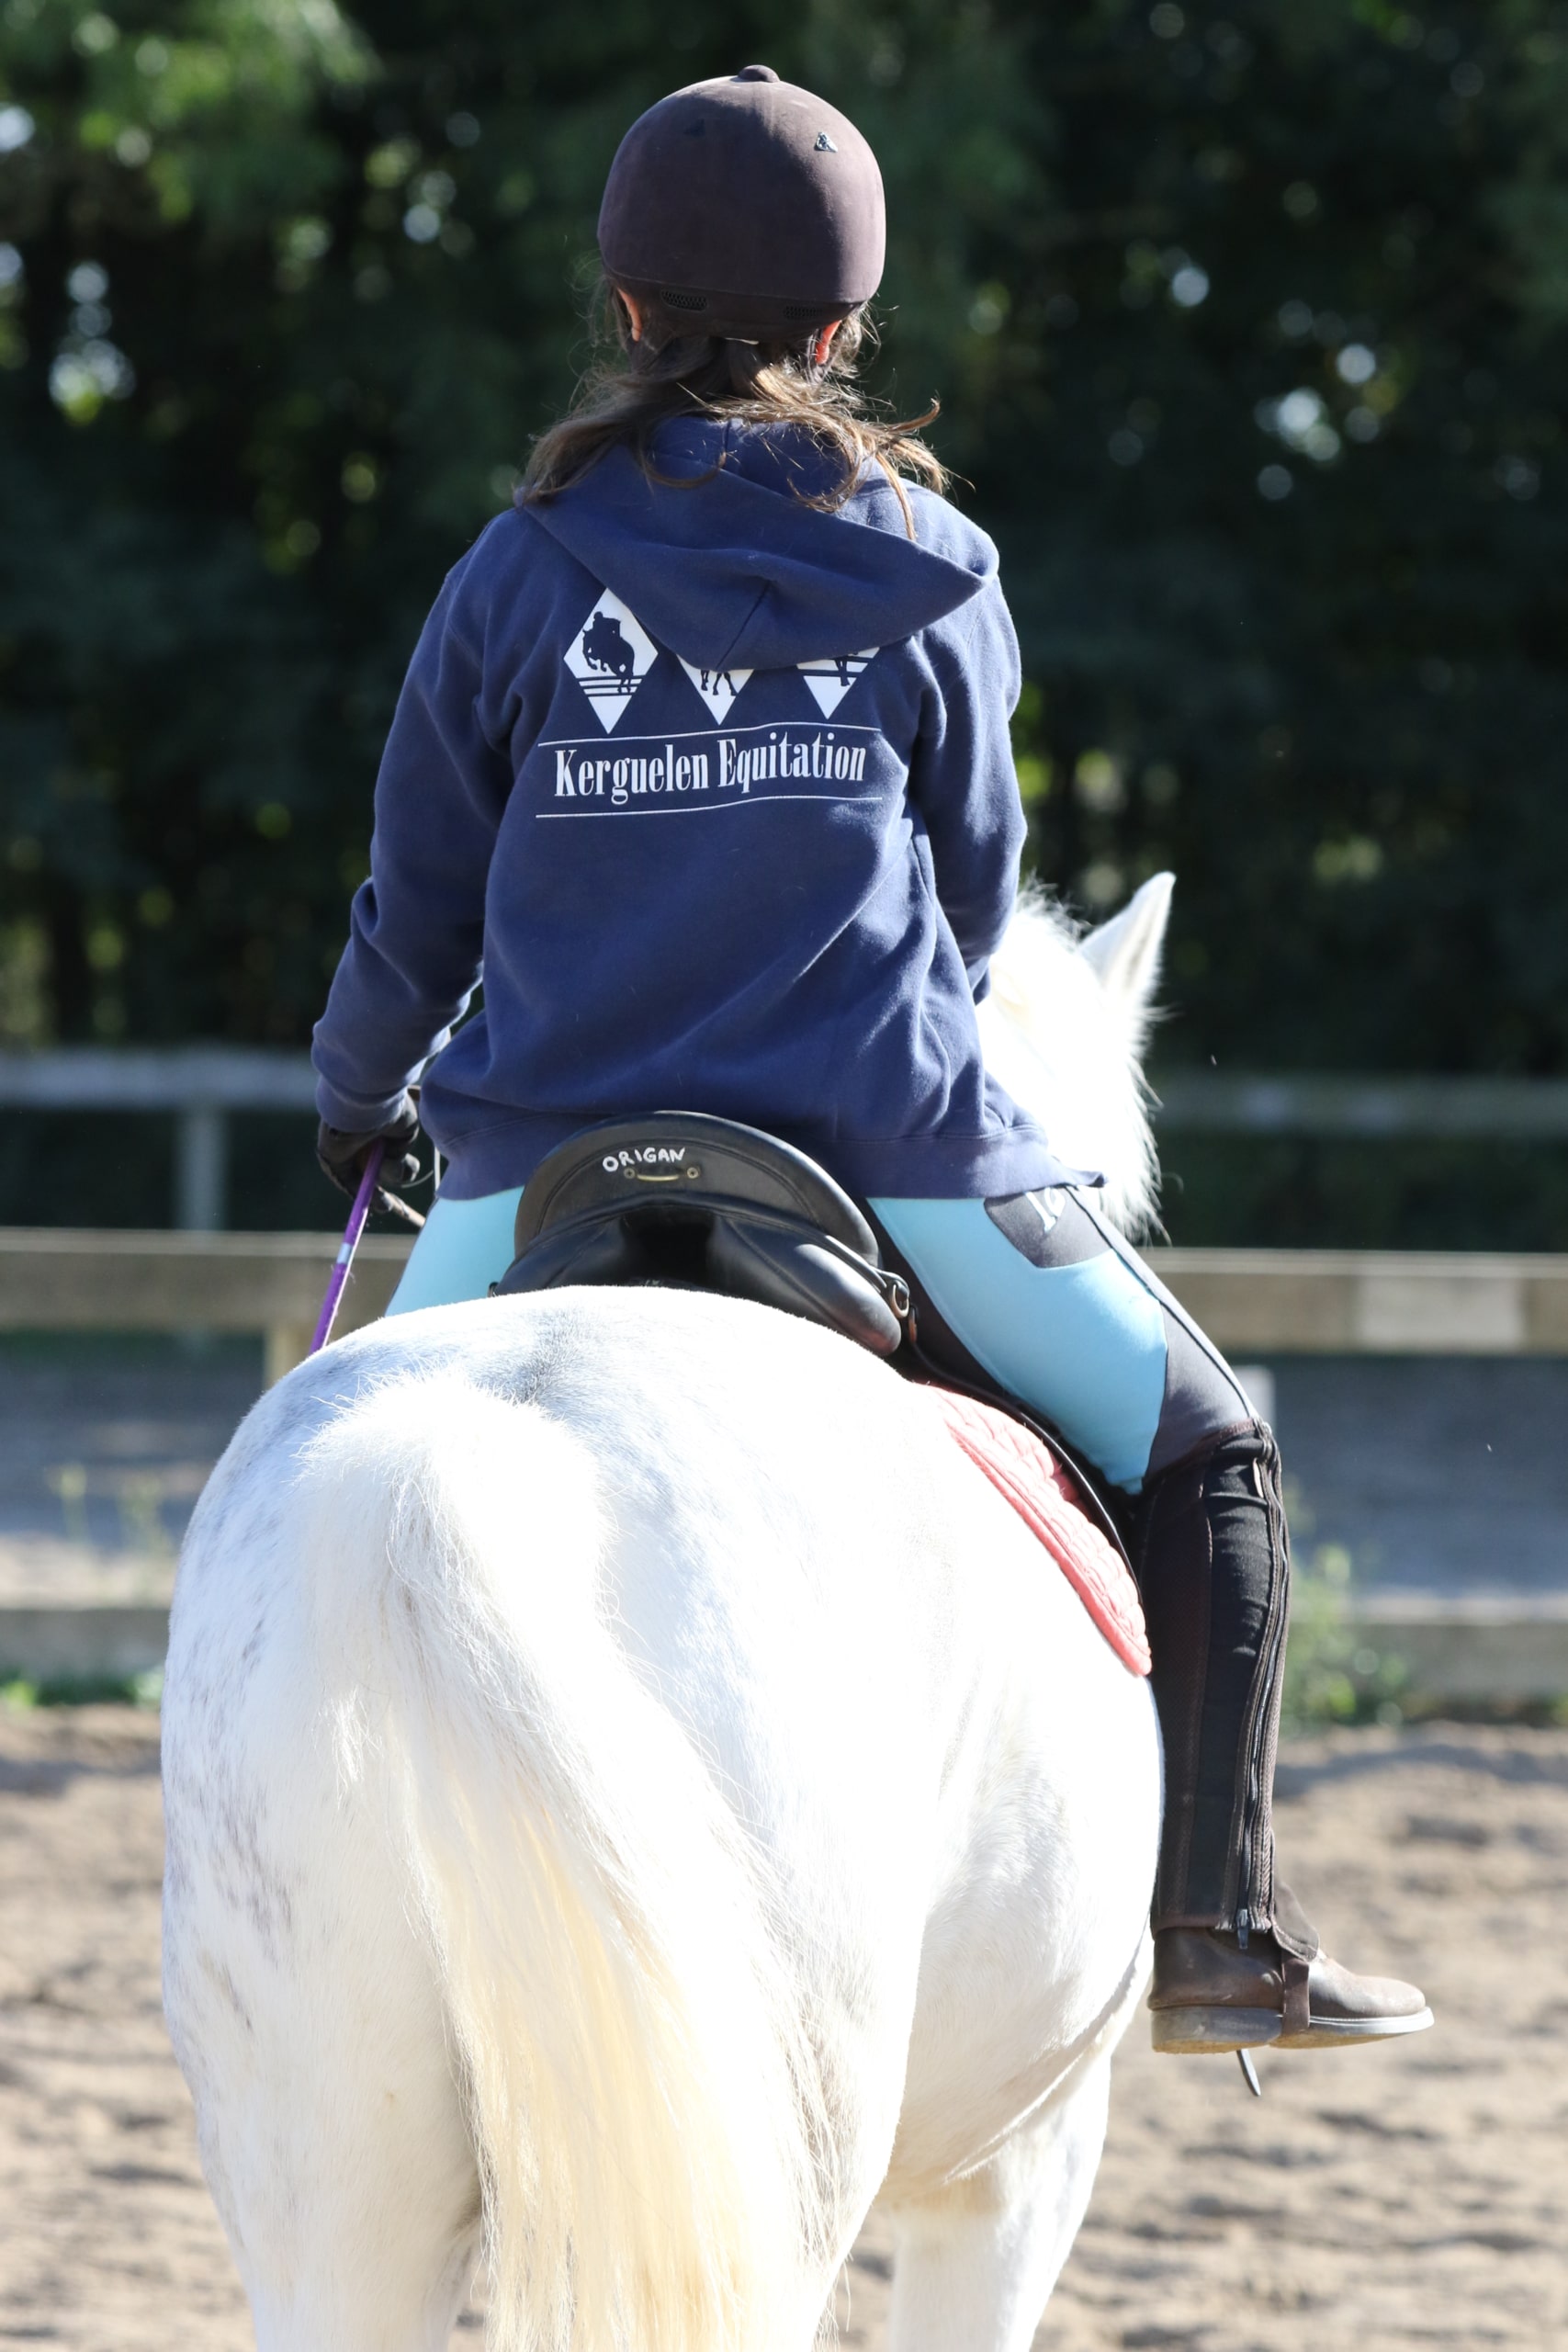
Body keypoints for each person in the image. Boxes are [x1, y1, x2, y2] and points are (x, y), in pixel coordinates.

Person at [311, 65, 1431, 2058]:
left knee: (319, 1494)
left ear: (627, 310)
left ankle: (300, 1930)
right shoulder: (933, 562)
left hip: (541, 1153)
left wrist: (353, 1094)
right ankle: (1215, 1926)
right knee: (1214, 1450)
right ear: (842, 329)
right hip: (880, 1137)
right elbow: (984, 882)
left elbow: (417, 905)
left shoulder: (509, 573)